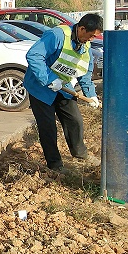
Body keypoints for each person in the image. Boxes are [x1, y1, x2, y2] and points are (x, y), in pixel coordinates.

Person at [24, 13, 103, 171]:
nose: (92, 39)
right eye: (91, 35)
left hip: (64, 87)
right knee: (48, 128)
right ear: (81, 29)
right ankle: (55, 165)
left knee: (75, 120)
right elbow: (33, 55)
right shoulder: (57, 35)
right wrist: (50, 79)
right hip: (41, 88)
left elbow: (84, 73)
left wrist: (90, 94)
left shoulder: (85, 44)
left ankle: (80, 153)